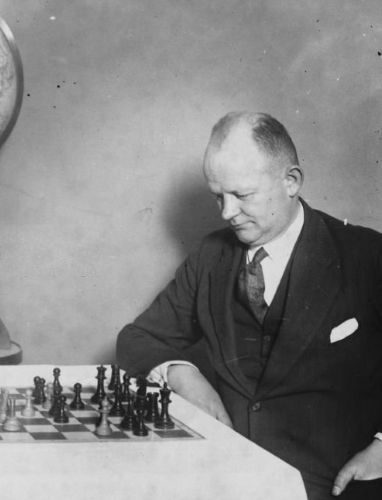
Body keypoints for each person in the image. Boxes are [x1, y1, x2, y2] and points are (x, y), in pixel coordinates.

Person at [116, 111, 382, 500]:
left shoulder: (366, 254)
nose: (226, 213)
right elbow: (137, 338)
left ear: (291, 181)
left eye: (242, 195)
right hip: (229, 479)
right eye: (218, 196)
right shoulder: (211, 256)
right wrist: (181, 374)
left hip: (332, 487)